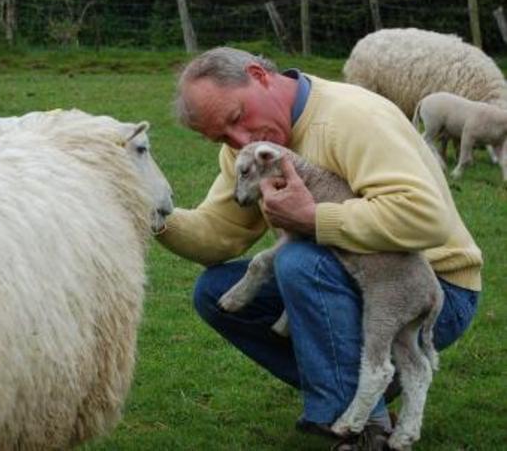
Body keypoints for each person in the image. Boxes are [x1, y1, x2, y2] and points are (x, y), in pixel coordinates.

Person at [157, 47, 482, 450]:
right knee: (214, 291)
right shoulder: (248, 151)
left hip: (435, 287)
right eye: (222, 137)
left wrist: (314, 219)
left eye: (237, 118)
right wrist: (153, 213)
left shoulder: (352, 118)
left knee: (299, 261)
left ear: (259, 75)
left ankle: (365, 427)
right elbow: (220, 234)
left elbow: (429, 220)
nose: (239, 139)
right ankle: (354, 390)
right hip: (353, 277)